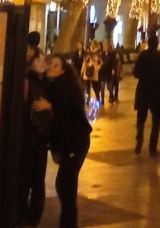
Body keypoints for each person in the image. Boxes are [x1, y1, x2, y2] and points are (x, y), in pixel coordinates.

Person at [44, 55, 92, 228]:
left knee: (65, 185)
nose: (51, 67)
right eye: (50, 64)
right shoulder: (60, 85)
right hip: (77, 141)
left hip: (74, 143)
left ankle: (68, 223)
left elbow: (64, 119)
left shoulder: (61, 87)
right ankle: (68, 222)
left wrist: (68, 150)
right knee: (66, 185)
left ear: (62, 70)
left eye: (55, 65)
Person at [18, 54, 51, 227]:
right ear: (30, 65)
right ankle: (21, 215)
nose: (42, 63)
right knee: (24, 178)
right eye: (38, 61)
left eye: (44, 61)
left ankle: (33, 218)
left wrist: (50, 106)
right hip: (28, 136)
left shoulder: (49, 84)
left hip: (42, 137)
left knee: (38, 181)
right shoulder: (26, 82)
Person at [133, 35, 160, 156]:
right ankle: (153, 147)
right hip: (157, 93)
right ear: (157, 44)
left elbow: (135, 72)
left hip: (143, 90)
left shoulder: (143, 56)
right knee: (156, 121)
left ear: (148, 43)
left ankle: (139, 139)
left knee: (140, 119)